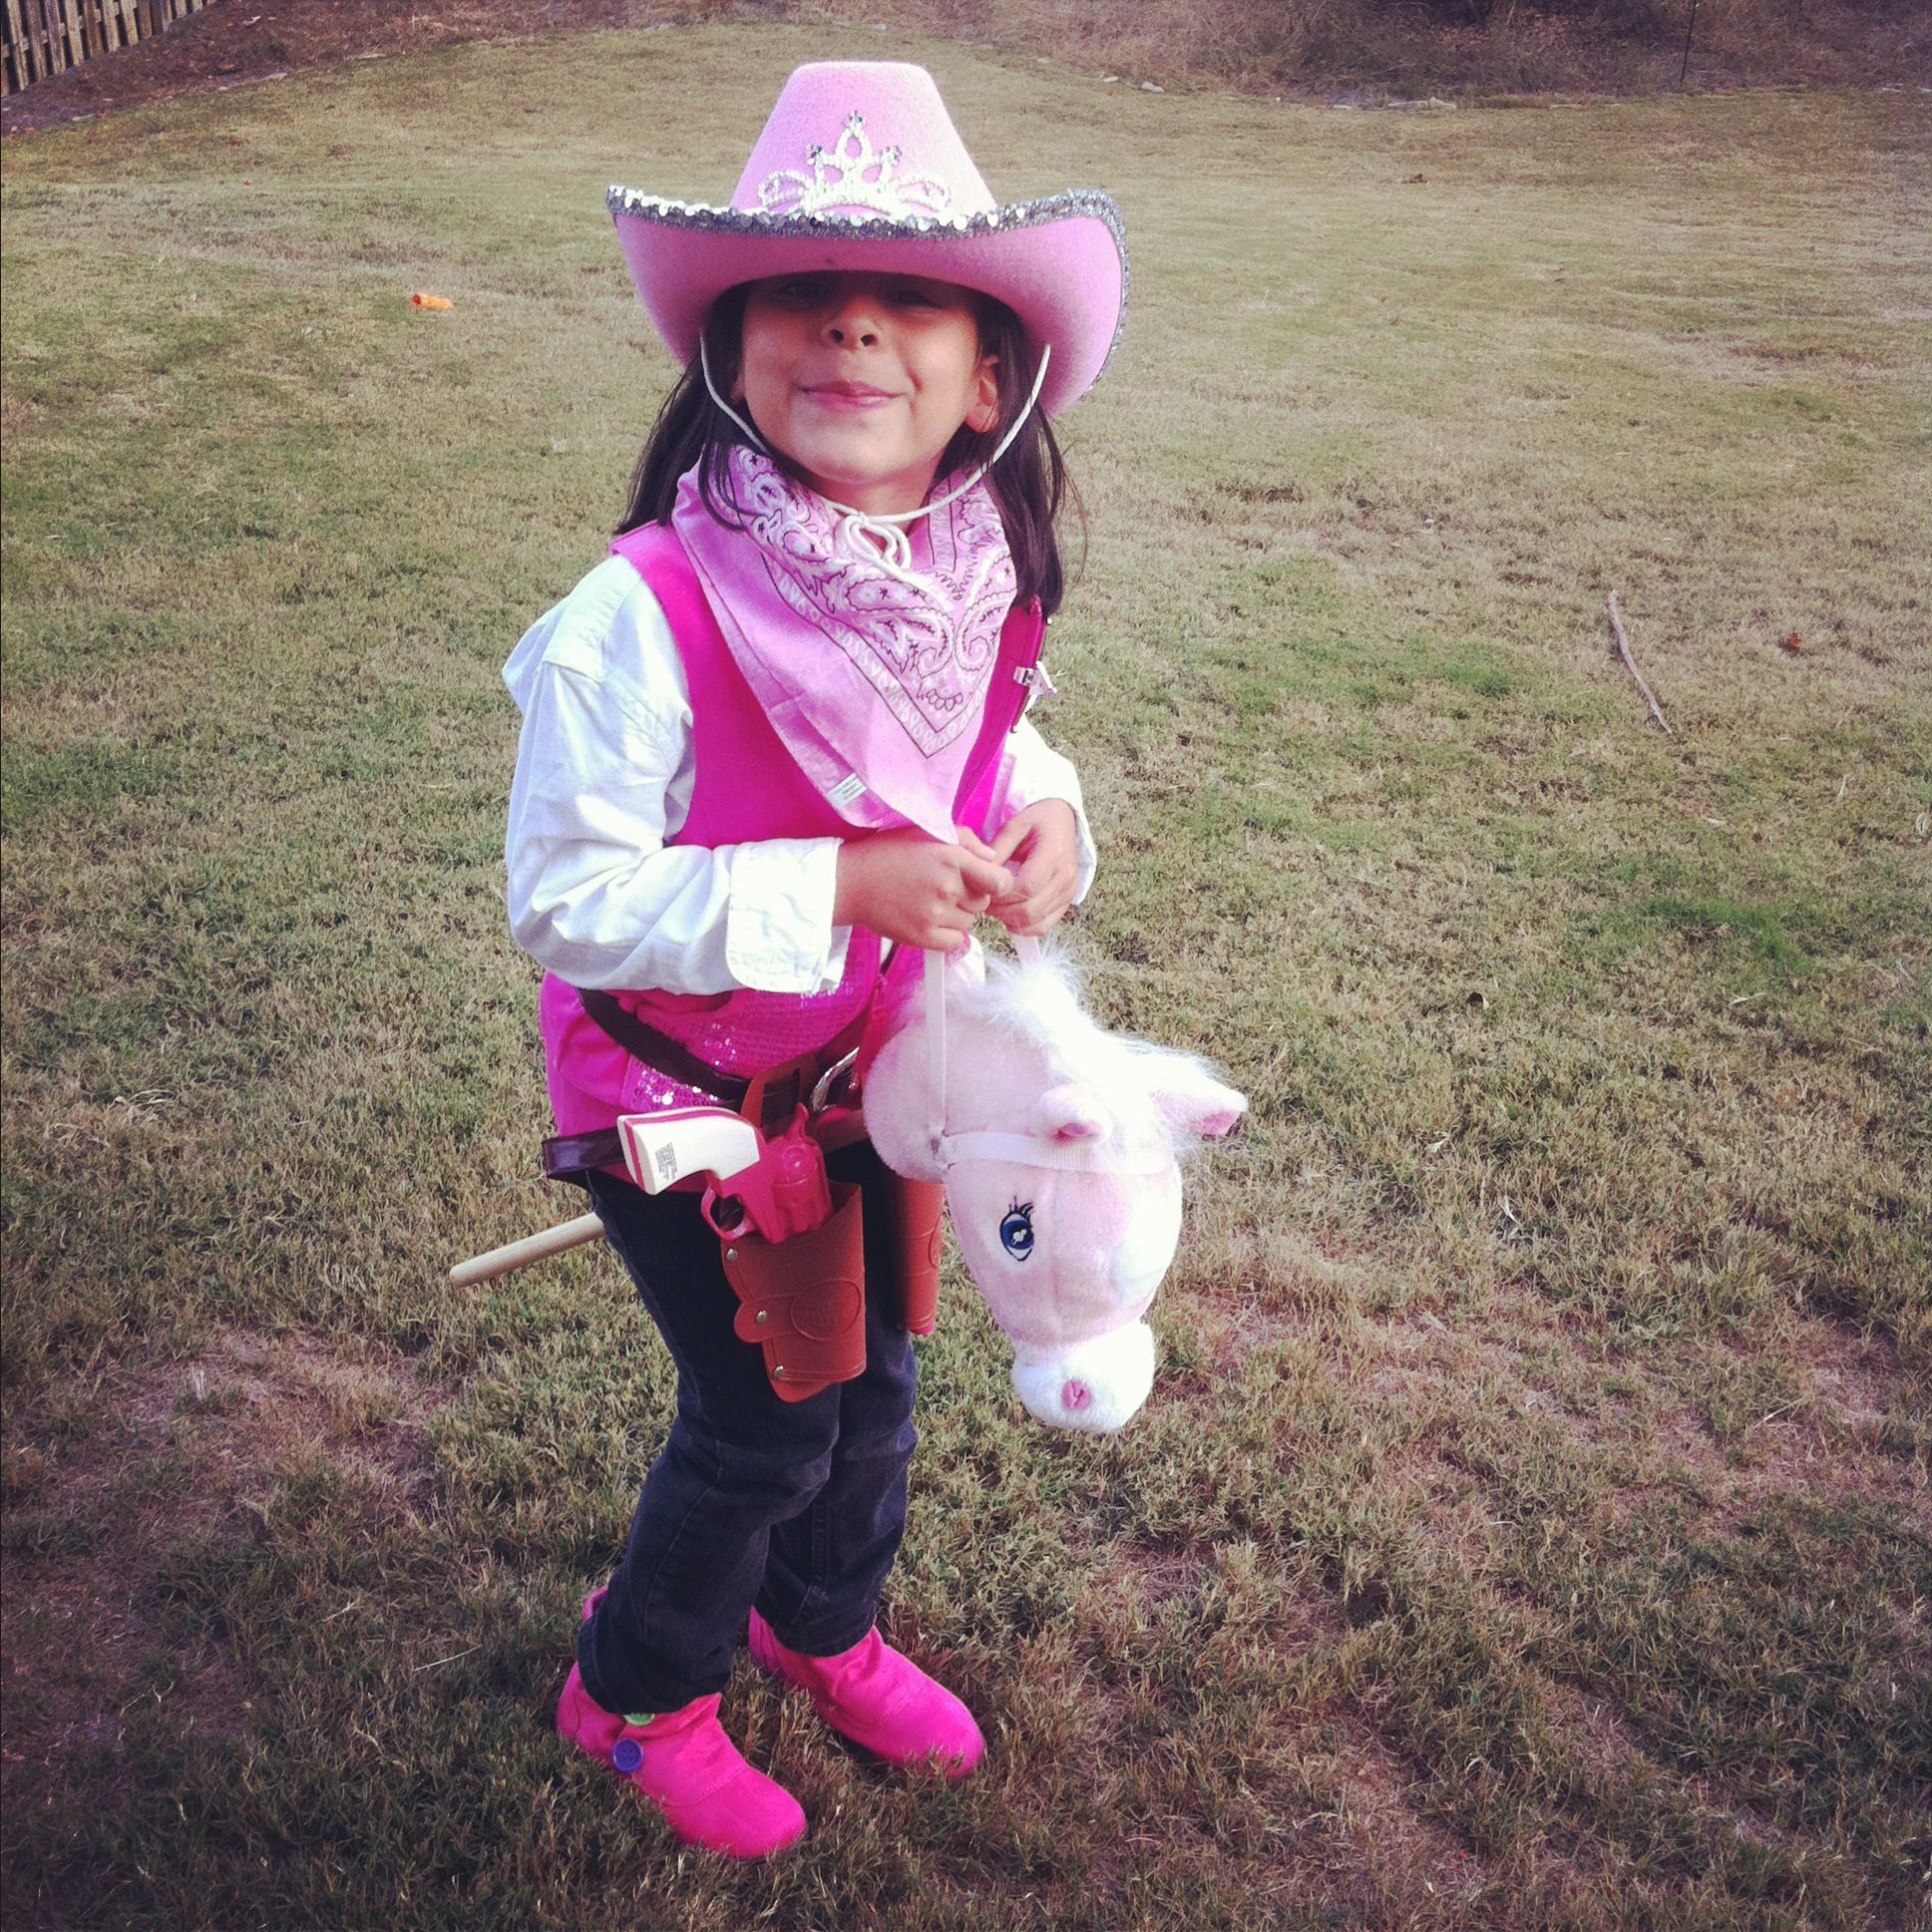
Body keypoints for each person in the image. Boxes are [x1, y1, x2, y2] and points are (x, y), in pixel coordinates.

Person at [501, 60, 1126, 1857]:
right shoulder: (636, 614)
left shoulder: (967, 568)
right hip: (681, 1105)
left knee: (882, 1384)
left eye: (914, 293)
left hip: (877, 1080)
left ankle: (820, 1625)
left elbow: (1000, 739)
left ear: (988, 377)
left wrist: (1052, 816)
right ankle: (635, 1688)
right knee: (765, 1419)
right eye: (802, 287)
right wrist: (834, 884)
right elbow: (561, 896)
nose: (853, 319)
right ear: (731, 347)